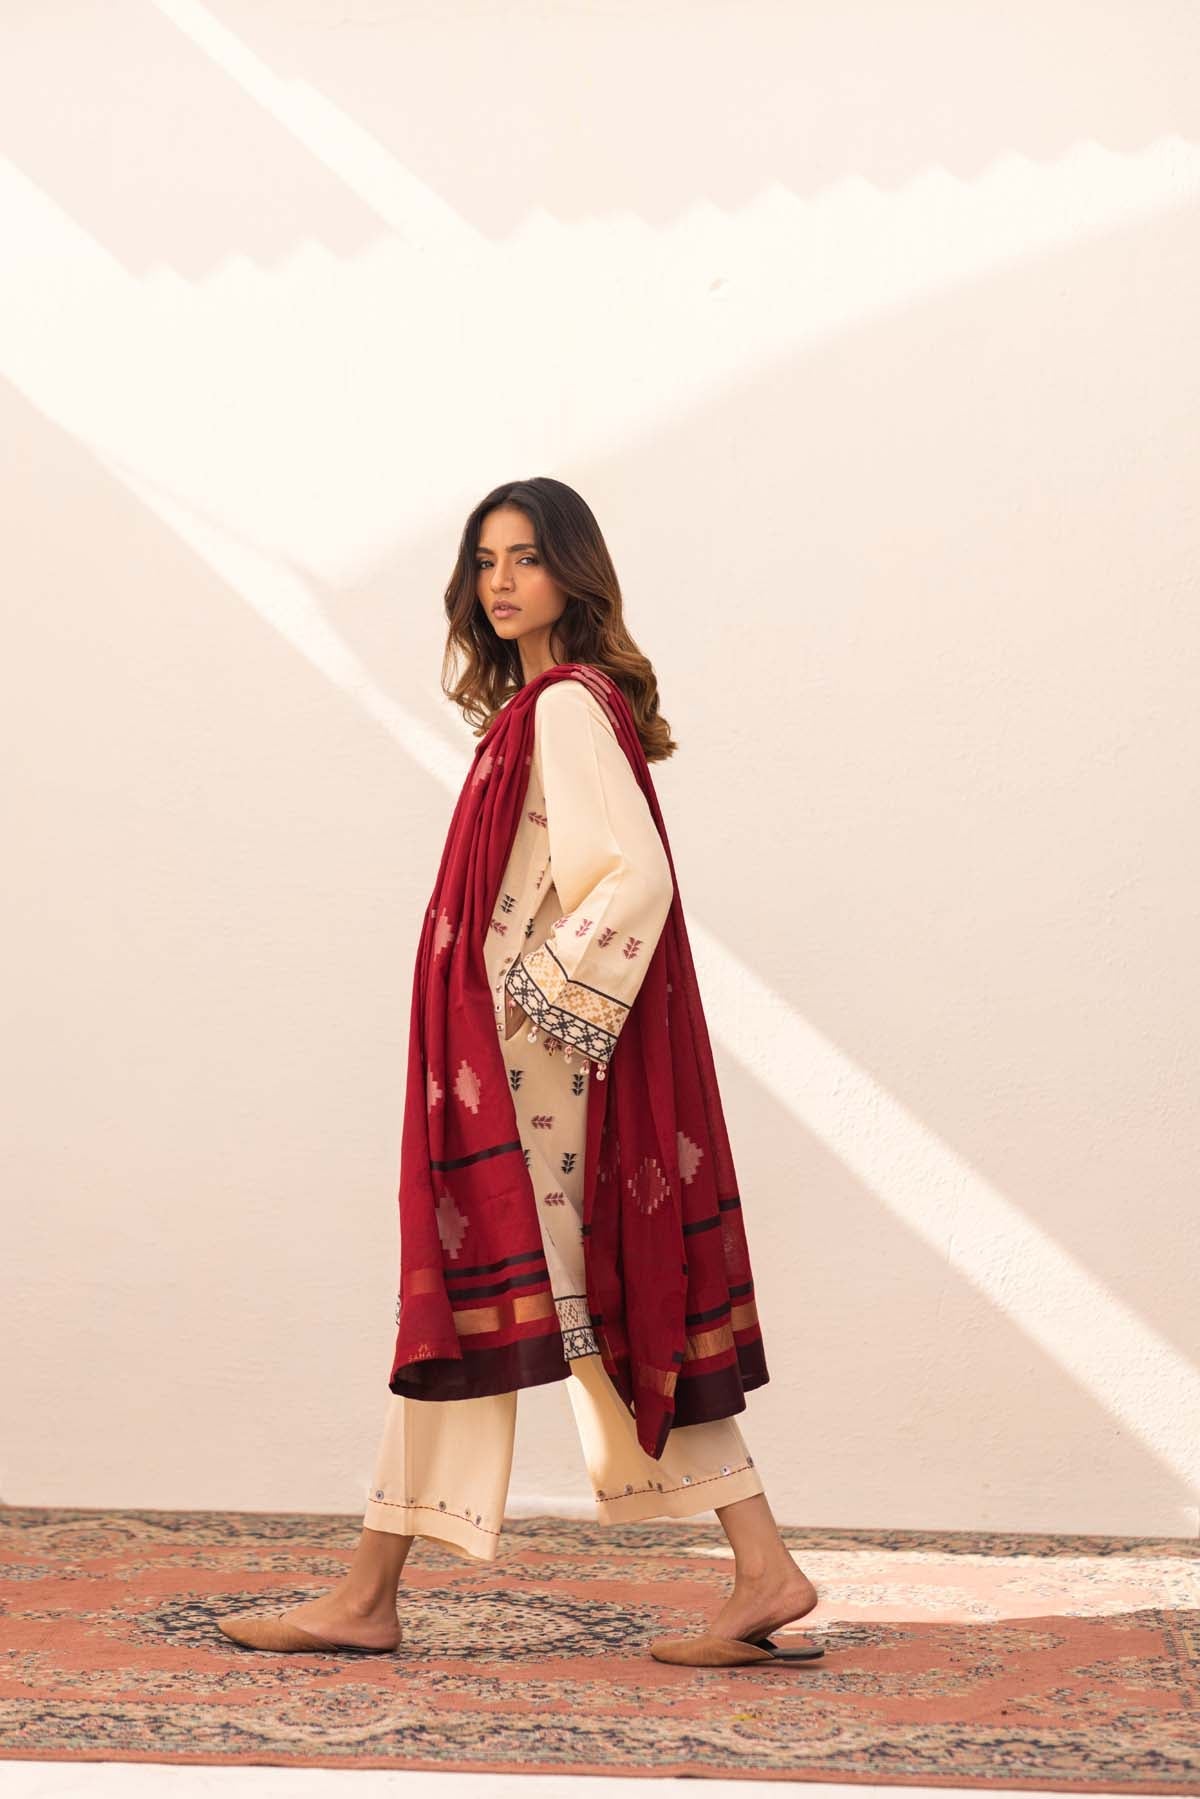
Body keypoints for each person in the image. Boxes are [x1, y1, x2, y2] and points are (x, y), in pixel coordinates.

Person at [218, 478, 819, 1667]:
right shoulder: (544, 709)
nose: (500, 581)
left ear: (570, 572)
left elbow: (635, 876)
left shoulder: (566, 708)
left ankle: (369, 1596)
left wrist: (532, 998)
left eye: (527, 557)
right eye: (485, 560)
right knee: (575, 1313)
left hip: (537, 1073)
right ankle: (761, 1567)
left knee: (480, 1305)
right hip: (524, 1067)